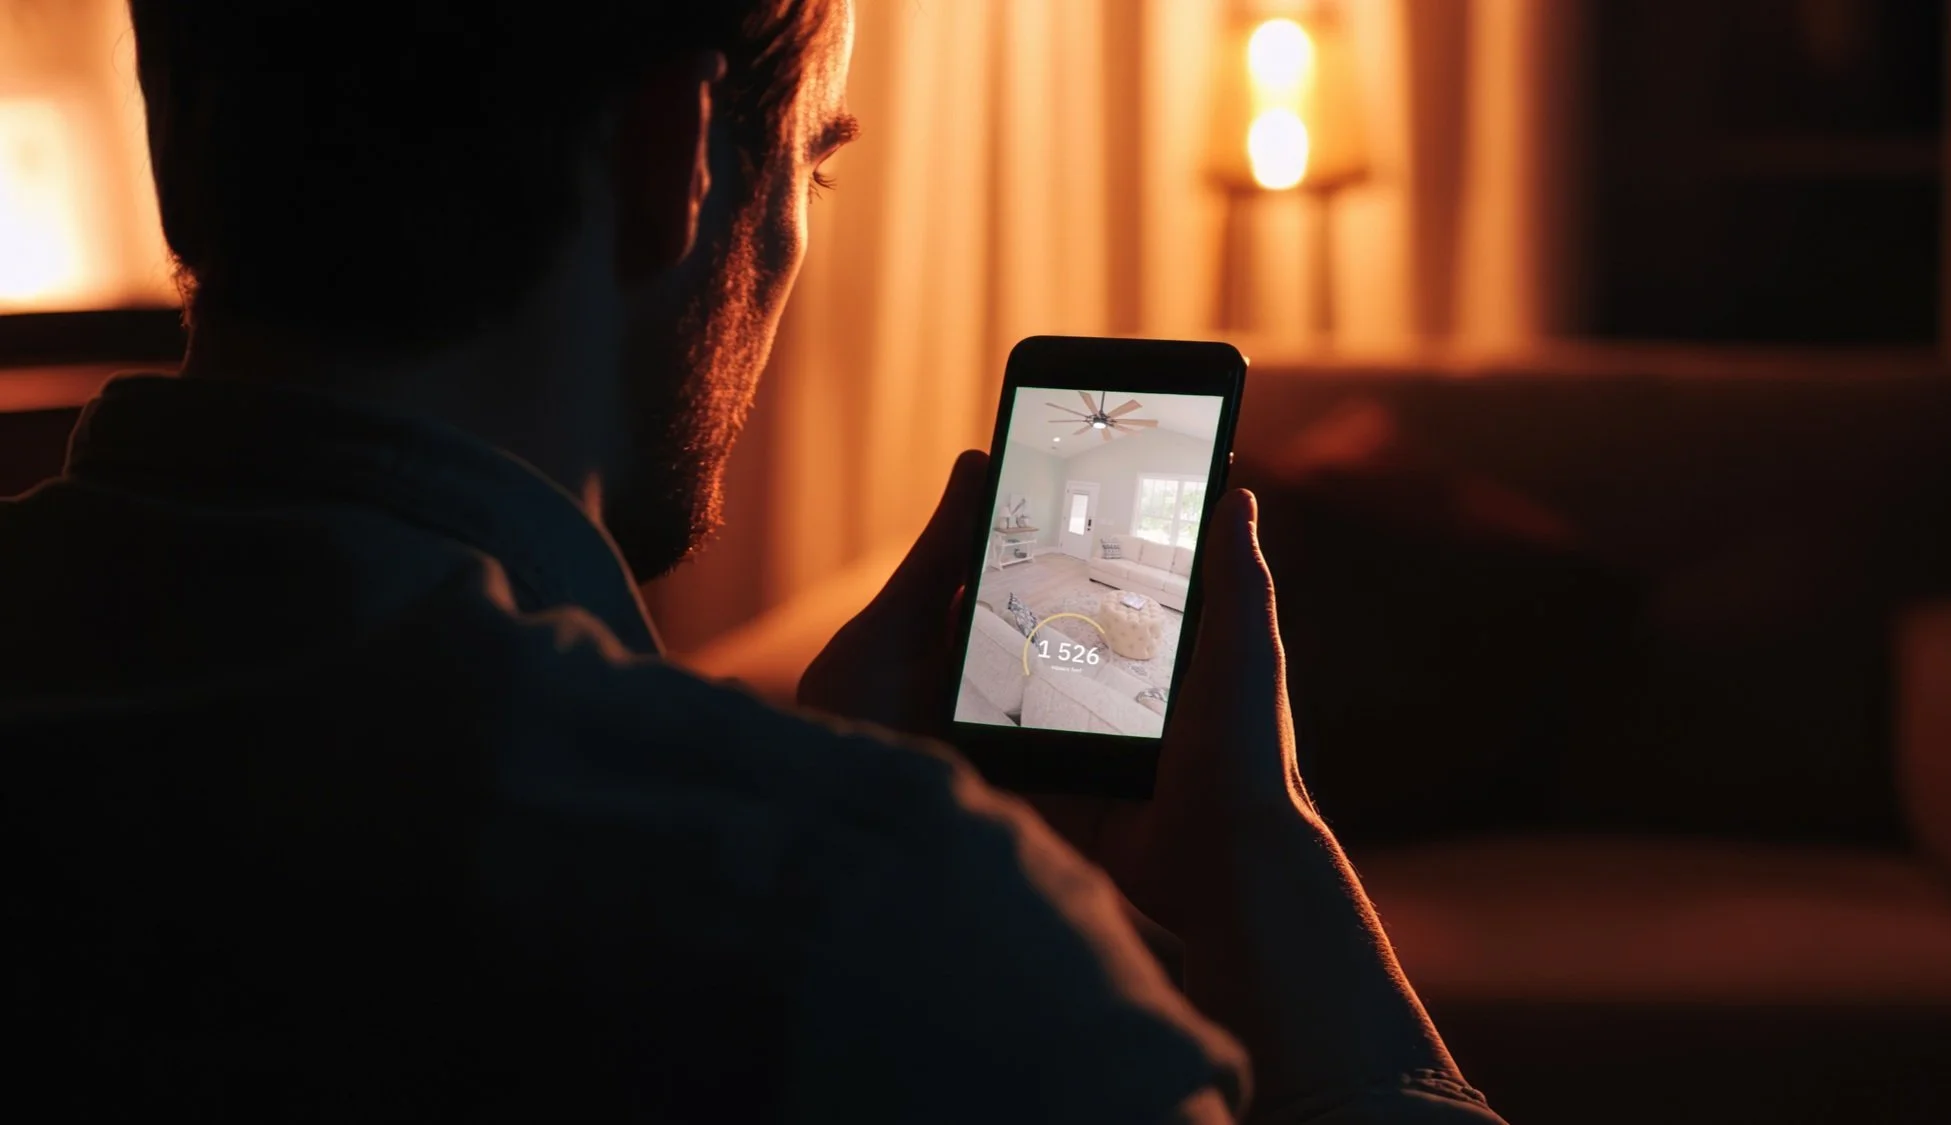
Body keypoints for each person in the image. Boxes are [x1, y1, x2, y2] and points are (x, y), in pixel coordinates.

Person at [0, 2, 1503, 1121]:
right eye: (813, 166)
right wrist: (1288, 907)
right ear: (673, 155)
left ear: (164, 108)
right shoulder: (896, 931)